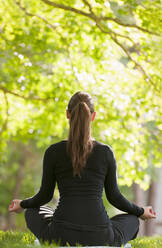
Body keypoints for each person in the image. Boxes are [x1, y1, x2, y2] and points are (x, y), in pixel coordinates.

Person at [8, 91, 156, 247]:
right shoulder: (105, 152)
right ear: (93, 116)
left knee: (32, 212)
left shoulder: (53, 152)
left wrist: (23, 204)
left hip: (60, 234)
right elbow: (114, 197)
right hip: (100, 235)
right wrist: (140, 212)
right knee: (131, 219)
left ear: (67, 114)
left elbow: (44, 196)